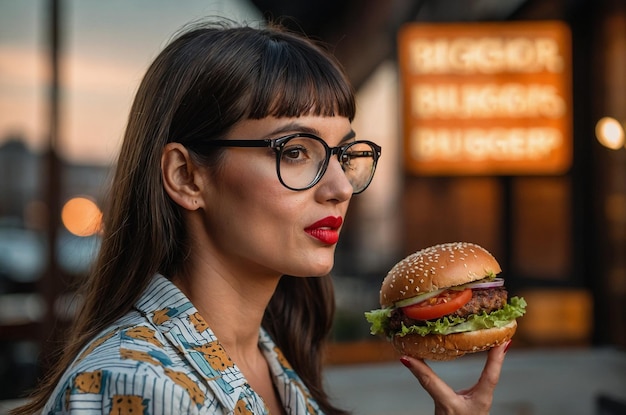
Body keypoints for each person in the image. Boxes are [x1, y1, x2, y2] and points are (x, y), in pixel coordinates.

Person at [12, 20, 510, 415]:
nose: (339, 188)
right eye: (296, 151)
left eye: (344, 153)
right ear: (186, 176)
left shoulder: (266, 354)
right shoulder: (141, 386)